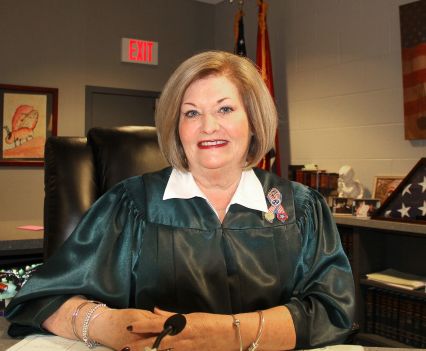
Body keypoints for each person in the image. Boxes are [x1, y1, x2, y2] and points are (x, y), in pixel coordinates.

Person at [5, 51, 355, 351]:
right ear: (176, 127)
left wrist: (226, 334)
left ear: (253, 121)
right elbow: (39, 300)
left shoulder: (300, 208)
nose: (208, 126)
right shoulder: (131, 205)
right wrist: (104, 324)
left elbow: (333, 311)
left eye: (225, 109)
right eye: (191, 113)